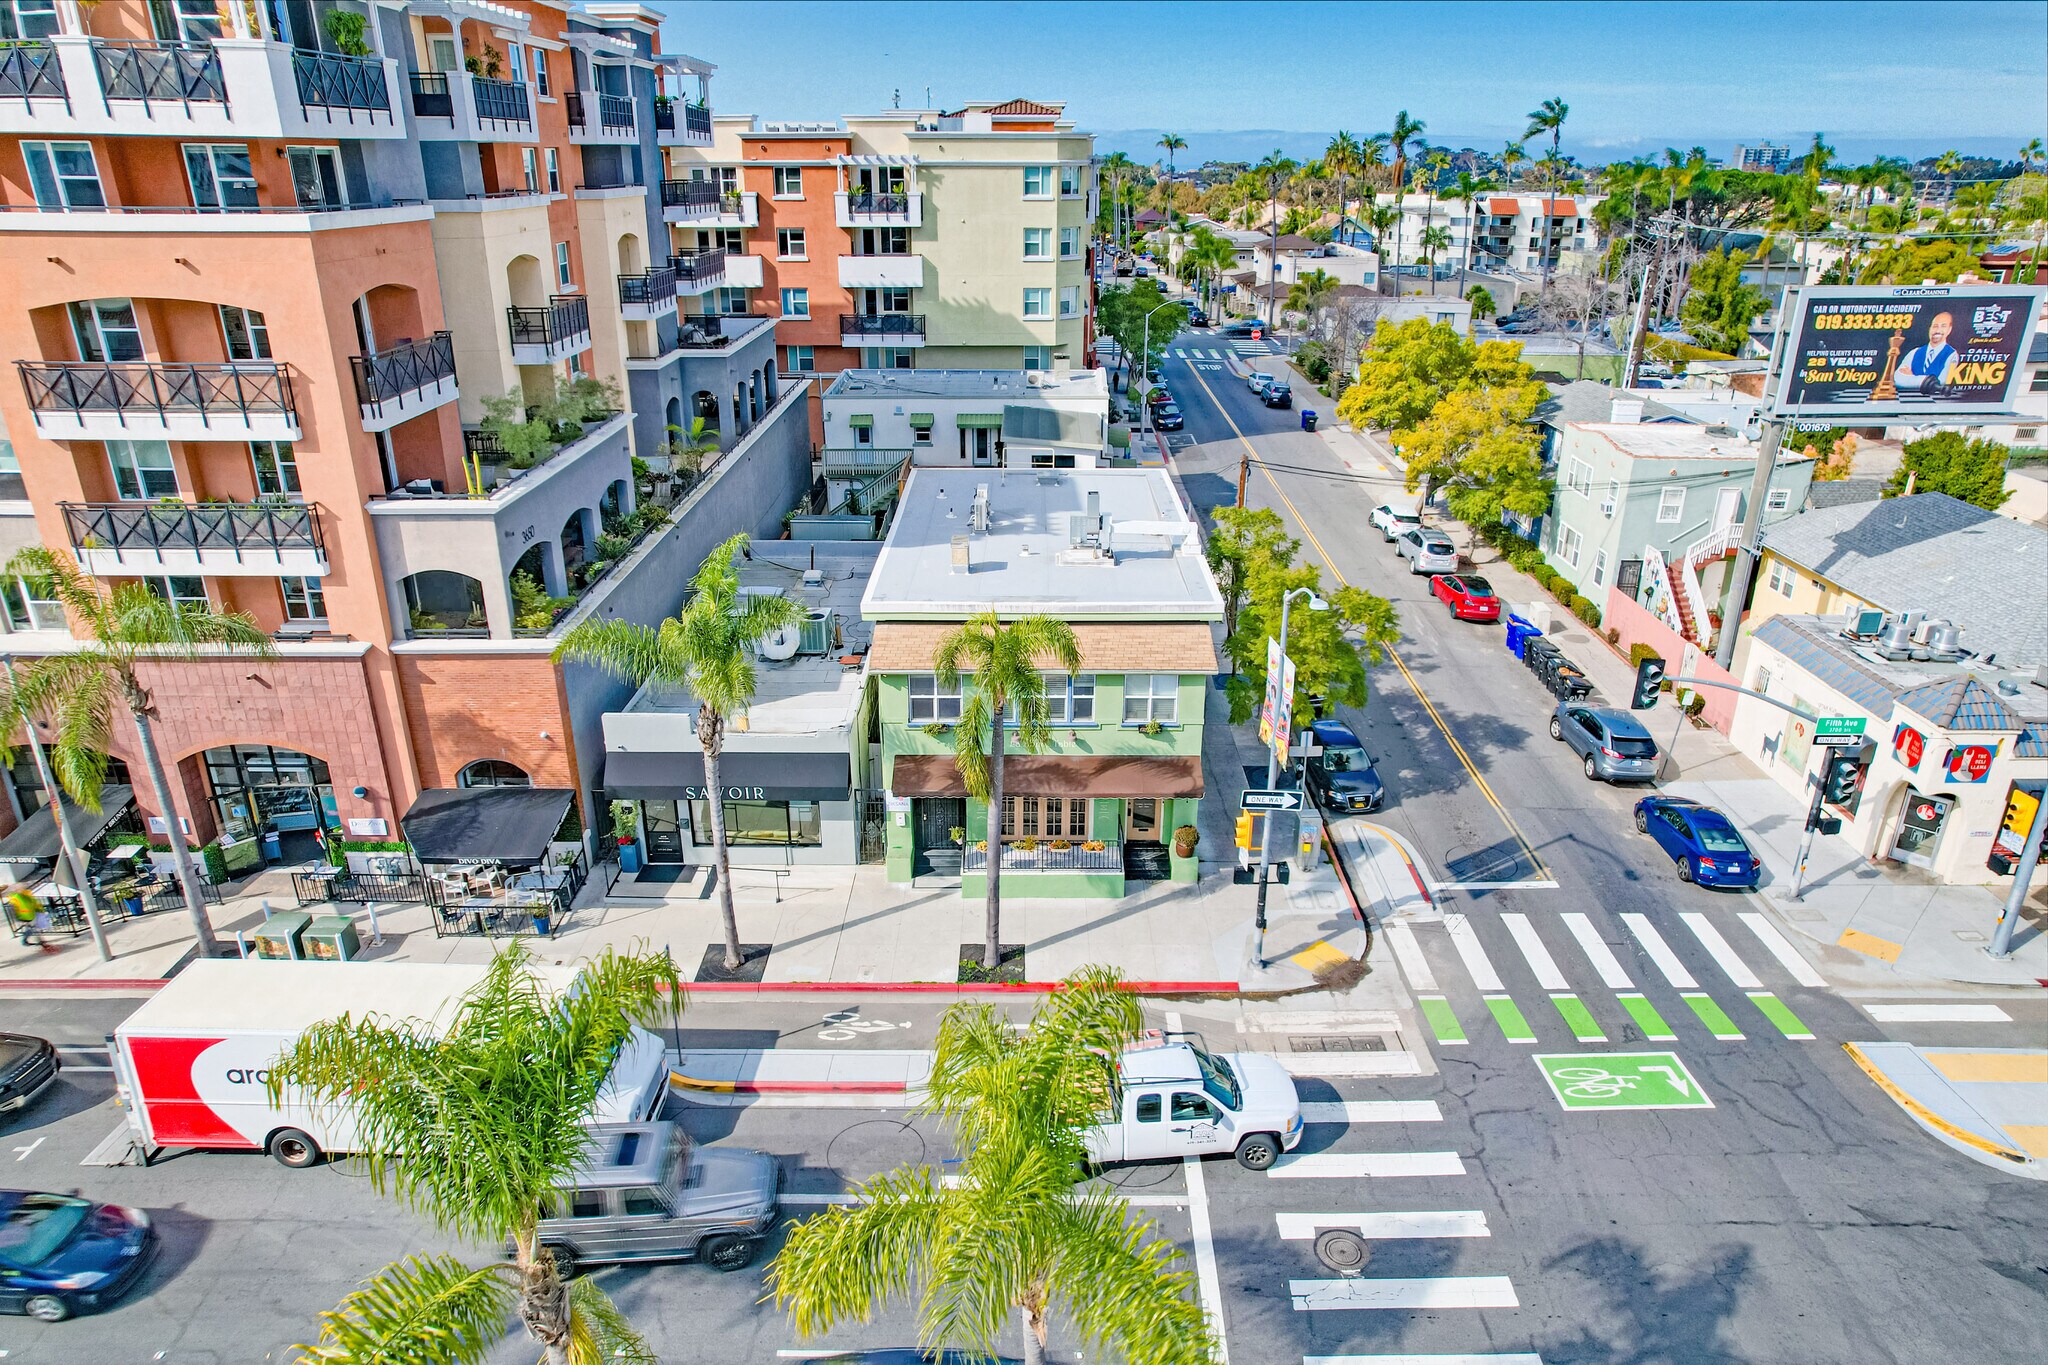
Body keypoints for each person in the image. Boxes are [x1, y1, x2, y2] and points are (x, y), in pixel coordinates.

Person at [1891, 310, 1959, 393]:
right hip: (1910, 402)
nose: (1938, 330)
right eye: (1935, 326)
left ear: (1949, 329)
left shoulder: (1952, 355)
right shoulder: (1914, 352)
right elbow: (1898, 379)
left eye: (1943, 326)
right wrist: (1926, 382)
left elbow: (1941, 382)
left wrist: (1912, 376)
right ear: (1930, 329)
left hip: (1937, 403)